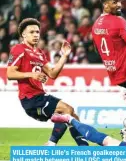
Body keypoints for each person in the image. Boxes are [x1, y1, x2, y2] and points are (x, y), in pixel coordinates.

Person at [6, 18, 88, 146]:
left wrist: (64, 56)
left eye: (37, 32)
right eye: (32, 32)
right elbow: (10, 73)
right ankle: (53, 144)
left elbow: (52, 73)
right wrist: (31, 74)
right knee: (67, 110)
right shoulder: (18, 49)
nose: (36, 35)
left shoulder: (39, 53)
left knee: (72, 115)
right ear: (23, 34)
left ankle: (81, 148)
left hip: (40, 96)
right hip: (31, 98)